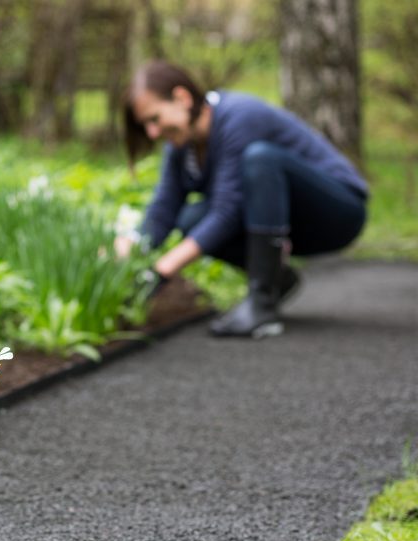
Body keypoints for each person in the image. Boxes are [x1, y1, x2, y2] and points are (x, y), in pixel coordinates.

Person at [114, 60, 369, 338]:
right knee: (191, 219)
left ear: (182, 98)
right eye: (145, 126)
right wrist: (129, 249)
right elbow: (164, 209)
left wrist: (161, 272)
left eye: (154, 119)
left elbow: (227, 212)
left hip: (338, 211)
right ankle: (277, 281)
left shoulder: (239, 116)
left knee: (261, 158)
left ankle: (261, 304)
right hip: (284, 222)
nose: (152, 133)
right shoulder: (181, 146)